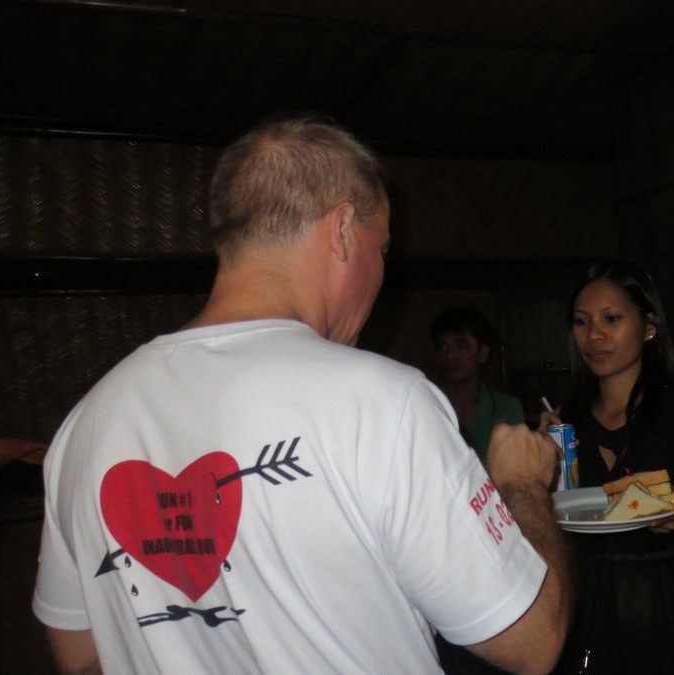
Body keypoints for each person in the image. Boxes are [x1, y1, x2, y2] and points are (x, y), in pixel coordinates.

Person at [32, 113, 572, 675]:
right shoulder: (385, 402)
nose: (382, 272)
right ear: (343, 230)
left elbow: (80, 655)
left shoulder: (84, 423)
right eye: (383, 250)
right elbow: (533, 643)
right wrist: (523, 486)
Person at [542, 259, 674, 673]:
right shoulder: (564, 422)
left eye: (612, 318)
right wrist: (535, 476)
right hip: (585, 632)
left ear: (649, 326)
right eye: (581, 321)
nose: (593, 335)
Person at [430, 306, 526, 460]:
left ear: (482, 353)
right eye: (443, 347)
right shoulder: (429, 404)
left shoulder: (506, 408)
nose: (450, 355)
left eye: (460, 345)